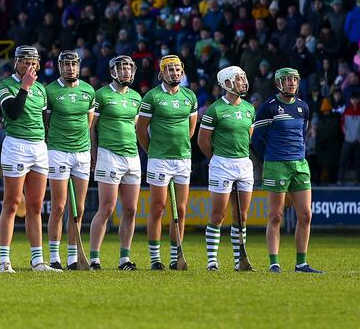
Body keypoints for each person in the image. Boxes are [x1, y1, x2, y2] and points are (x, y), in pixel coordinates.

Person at [252, 68, 323, 273]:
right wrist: (271, 158)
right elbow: (257, 139)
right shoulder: (269, 107)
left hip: (300, 164)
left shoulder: (303, 107)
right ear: (278, 84)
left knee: (306, 214)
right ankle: (274, 262)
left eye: (294, 79)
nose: (291, 83)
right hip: (276, 165)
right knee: (276, 215)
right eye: (287, 80)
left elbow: (302, 133)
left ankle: (301, 263)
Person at [136, 55, 198, 270]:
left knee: (180, 210)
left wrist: (179, 146)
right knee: (158, 207)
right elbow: (141, 130)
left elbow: (190, 129)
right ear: (162, 73)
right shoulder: (152, 97)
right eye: (170, 70)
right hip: (159, 159)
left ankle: (175, 256)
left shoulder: (189, 96)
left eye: (178, 69)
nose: (175, 73)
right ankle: (155, 258)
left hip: (182, 158)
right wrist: (152, 151)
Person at [0, 45, 51, 273]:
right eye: (24, 62)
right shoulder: (6, 85)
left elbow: (44, 120)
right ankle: (4, 261)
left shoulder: (41, 89)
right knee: (12, 204)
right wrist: (25, 87)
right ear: (16, 63)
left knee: (36, 206)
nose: (29, 66)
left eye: (33, 62)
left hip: (38, 146)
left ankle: (37, 260)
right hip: (16, 145)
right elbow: (13, 112)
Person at [198, 66, 255, 271]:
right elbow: (203, 141)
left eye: (243, 78)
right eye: (238, 79)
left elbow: (249, 135)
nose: (242, 82)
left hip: (244, 164)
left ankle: (240, 260)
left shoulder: (249, 108)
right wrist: (216, 159)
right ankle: (212, 260)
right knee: (218, 214)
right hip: (222, 164)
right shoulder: (215, 109)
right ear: (227, 83)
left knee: (242, 216)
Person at [88, 55, 143, 271]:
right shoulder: (101, 95)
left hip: (132, 156)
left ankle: (124, 259)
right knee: (107, 208)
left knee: (130, 209)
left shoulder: (137, 97)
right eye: (122, 68)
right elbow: (92, 127)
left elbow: (137, 127)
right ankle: (94, 258)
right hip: (108, 155)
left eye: (129, 68)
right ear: (113, 71)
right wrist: (93, 154)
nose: (126, 72)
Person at [44, 50, 96, 271]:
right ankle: (54, 255)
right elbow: (45, 122)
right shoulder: (50, 90)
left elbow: (89, 123)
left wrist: (88, 149)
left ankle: (73, 256)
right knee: (59, 206)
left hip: (82, 153)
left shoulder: (88, 91)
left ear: (78, 66)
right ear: (59, 67)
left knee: (80, 208)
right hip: (58, 151)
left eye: (73, 64)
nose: (70, 68)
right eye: (66, 65)